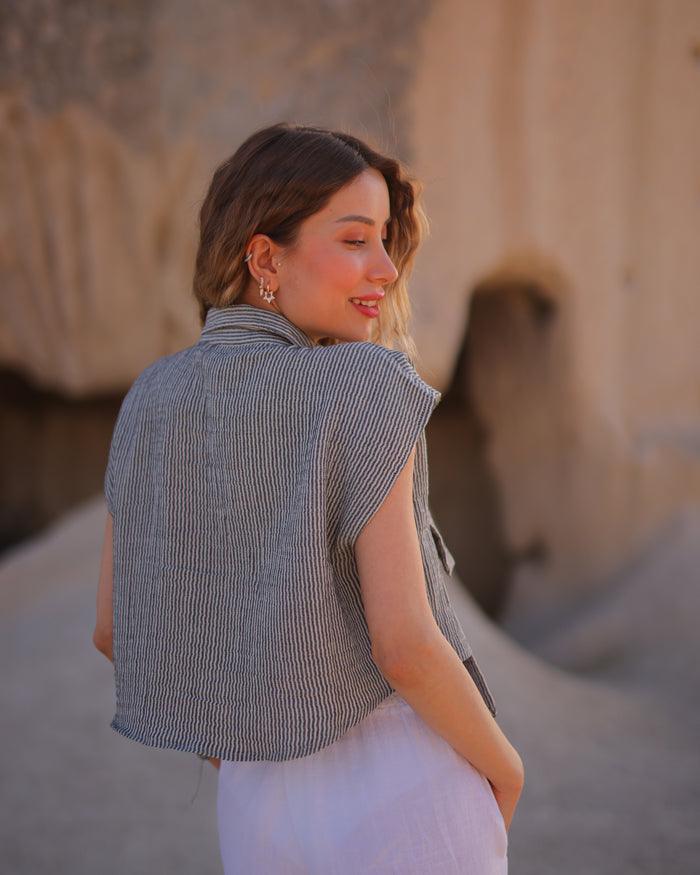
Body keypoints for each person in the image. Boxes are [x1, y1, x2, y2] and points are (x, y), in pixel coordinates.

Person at [93, 122, 524, 873]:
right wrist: (505, 768)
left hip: (255, 812)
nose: (386, 270)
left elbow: (113, 628)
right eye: (356, 240)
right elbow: (406, 646)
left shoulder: (152, 397)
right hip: (407, 791)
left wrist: (255, 753)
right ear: (264, 257)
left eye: (386, 241)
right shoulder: (363, 383)